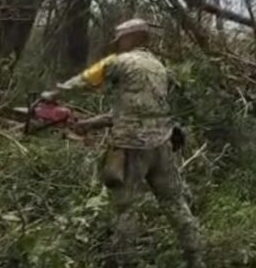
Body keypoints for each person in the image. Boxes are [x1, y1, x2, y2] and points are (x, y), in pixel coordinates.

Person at [40, 18, 202, 268]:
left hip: (131, 147)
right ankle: (195, 259)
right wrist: (89, 124)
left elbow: (87, 78)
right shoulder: (159, 68)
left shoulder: (121, 61)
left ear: (131, 38)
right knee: (175, 203)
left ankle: (121, 262)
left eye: (121, 39)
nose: (118, 44)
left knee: (124, 209)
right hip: (161, 145)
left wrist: (55, 93)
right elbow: (135, 111)